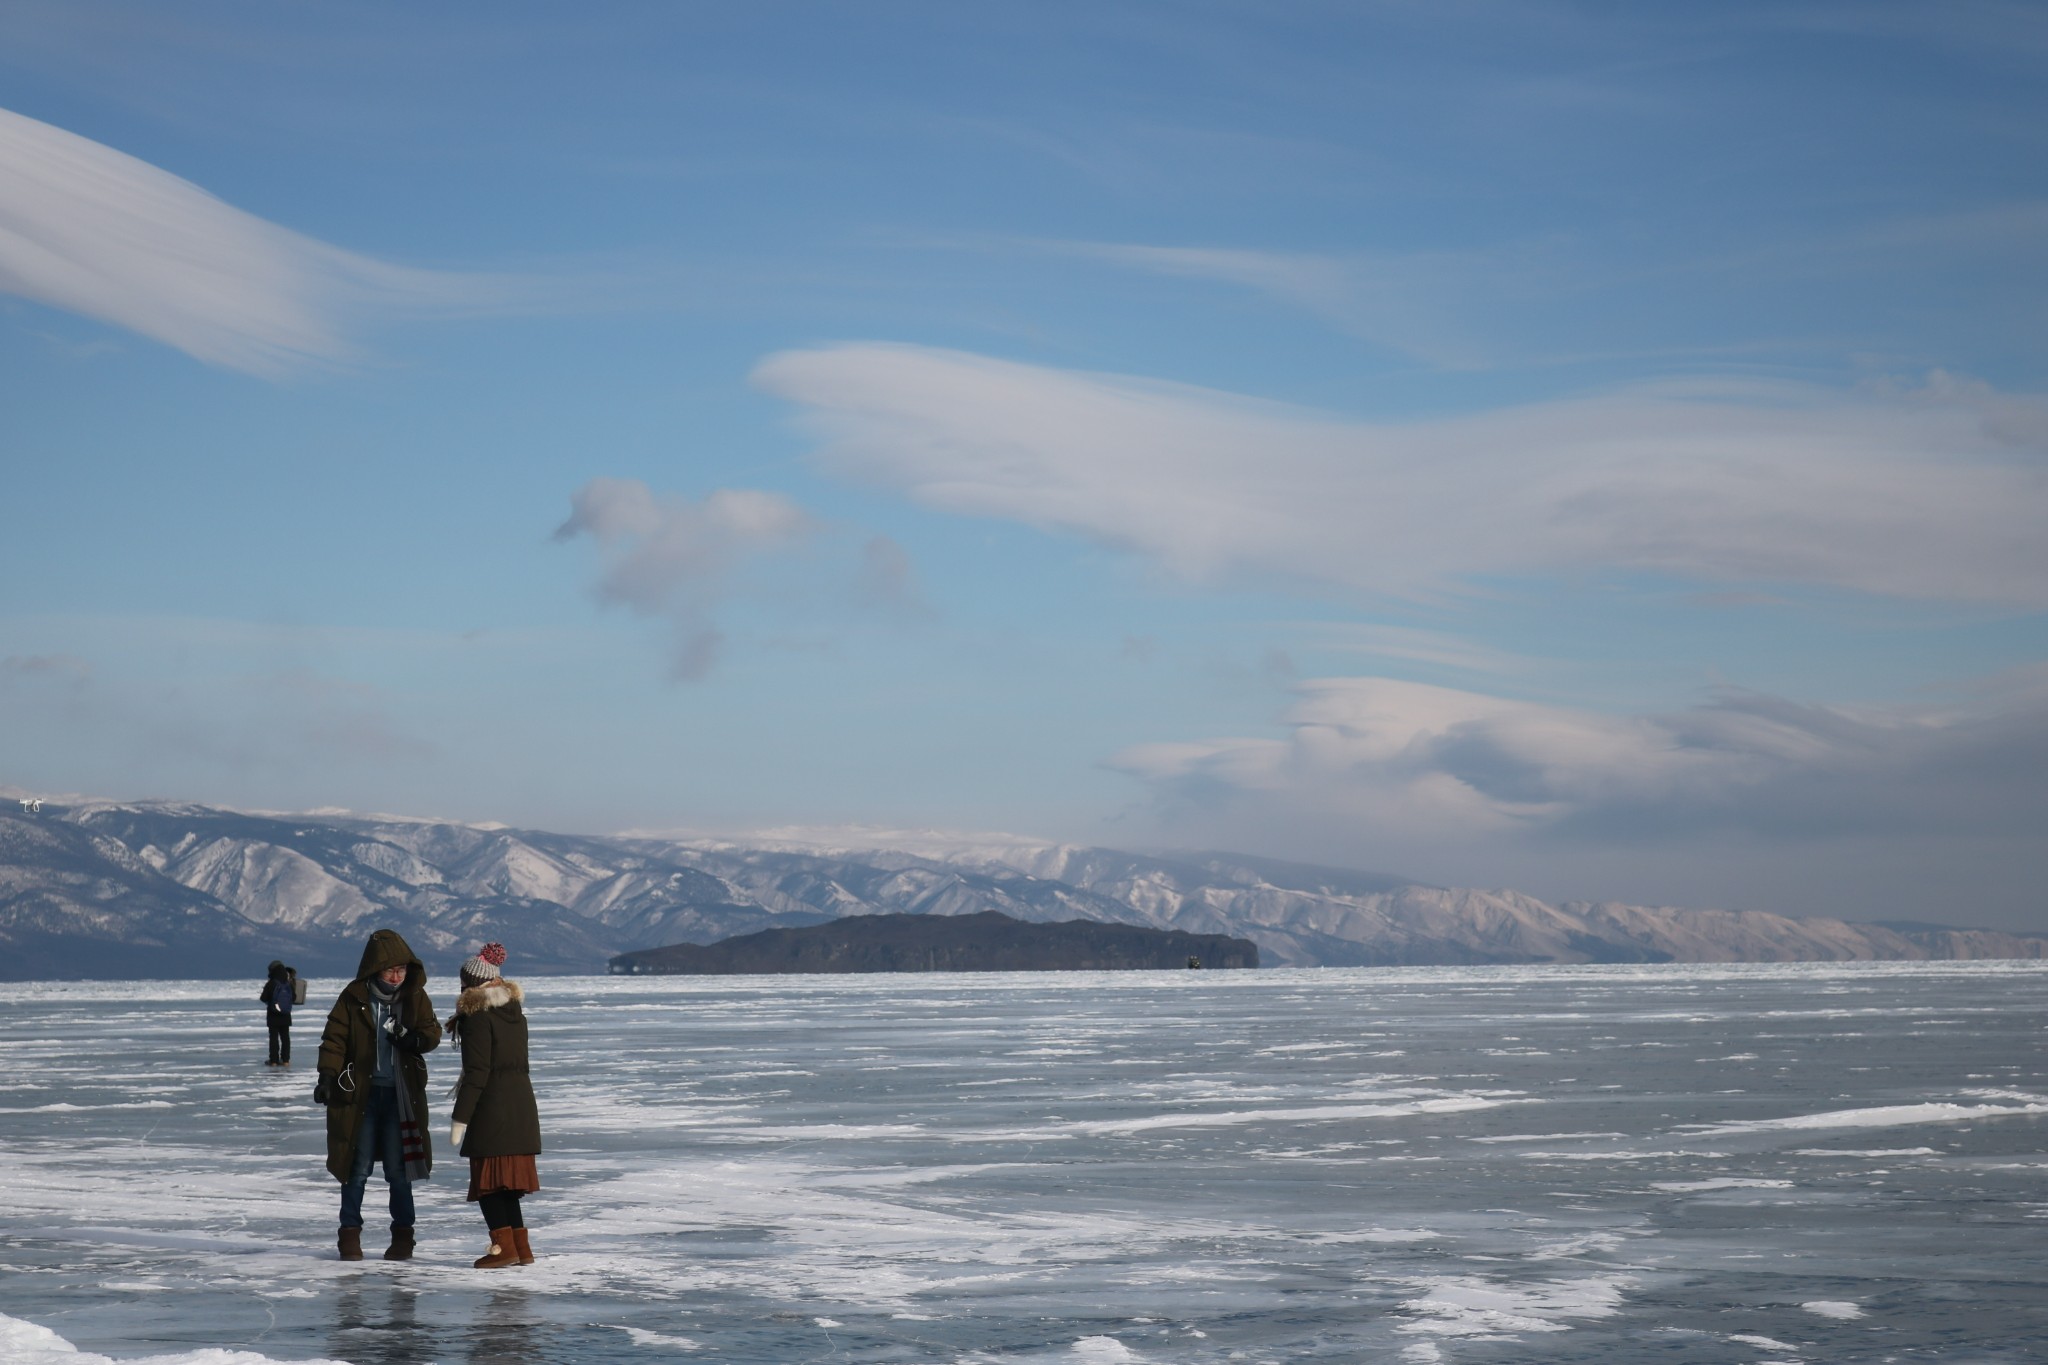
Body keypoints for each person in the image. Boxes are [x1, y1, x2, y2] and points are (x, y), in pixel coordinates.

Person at [315, 928, 441, 1262]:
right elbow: (334, 1038)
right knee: (356, 1168)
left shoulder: (415, 997)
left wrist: (414, 1040)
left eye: (402, 969)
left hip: (401, 1097)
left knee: (399, 1172)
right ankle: (349, 1235)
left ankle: (403, 1237)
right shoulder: (354, 997)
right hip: (361, 1098)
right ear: (375, 969)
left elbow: (431, 1032)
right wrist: (327, 1076)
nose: (397, 976)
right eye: (390, 970)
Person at [446, 942, 541, 1268]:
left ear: (471, 984)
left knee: (489, 1183)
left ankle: (504, 1249)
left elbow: (477, 1073)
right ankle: (521, 1249)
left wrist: (460, 1118)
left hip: (493, 1110)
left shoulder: (477, 1018)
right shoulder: (515, 1014)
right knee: (507, 1186)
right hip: (521, 1107)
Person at [258, 959, 298, 1065]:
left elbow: (263, 998)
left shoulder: (271, 983)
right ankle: (285, 1060)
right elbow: (293, 998)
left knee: (274, 1038)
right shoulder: (288, 983)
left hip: (273, 1015)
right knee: (285, 1037)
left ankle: (274, 1060)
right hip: (285, 1014)